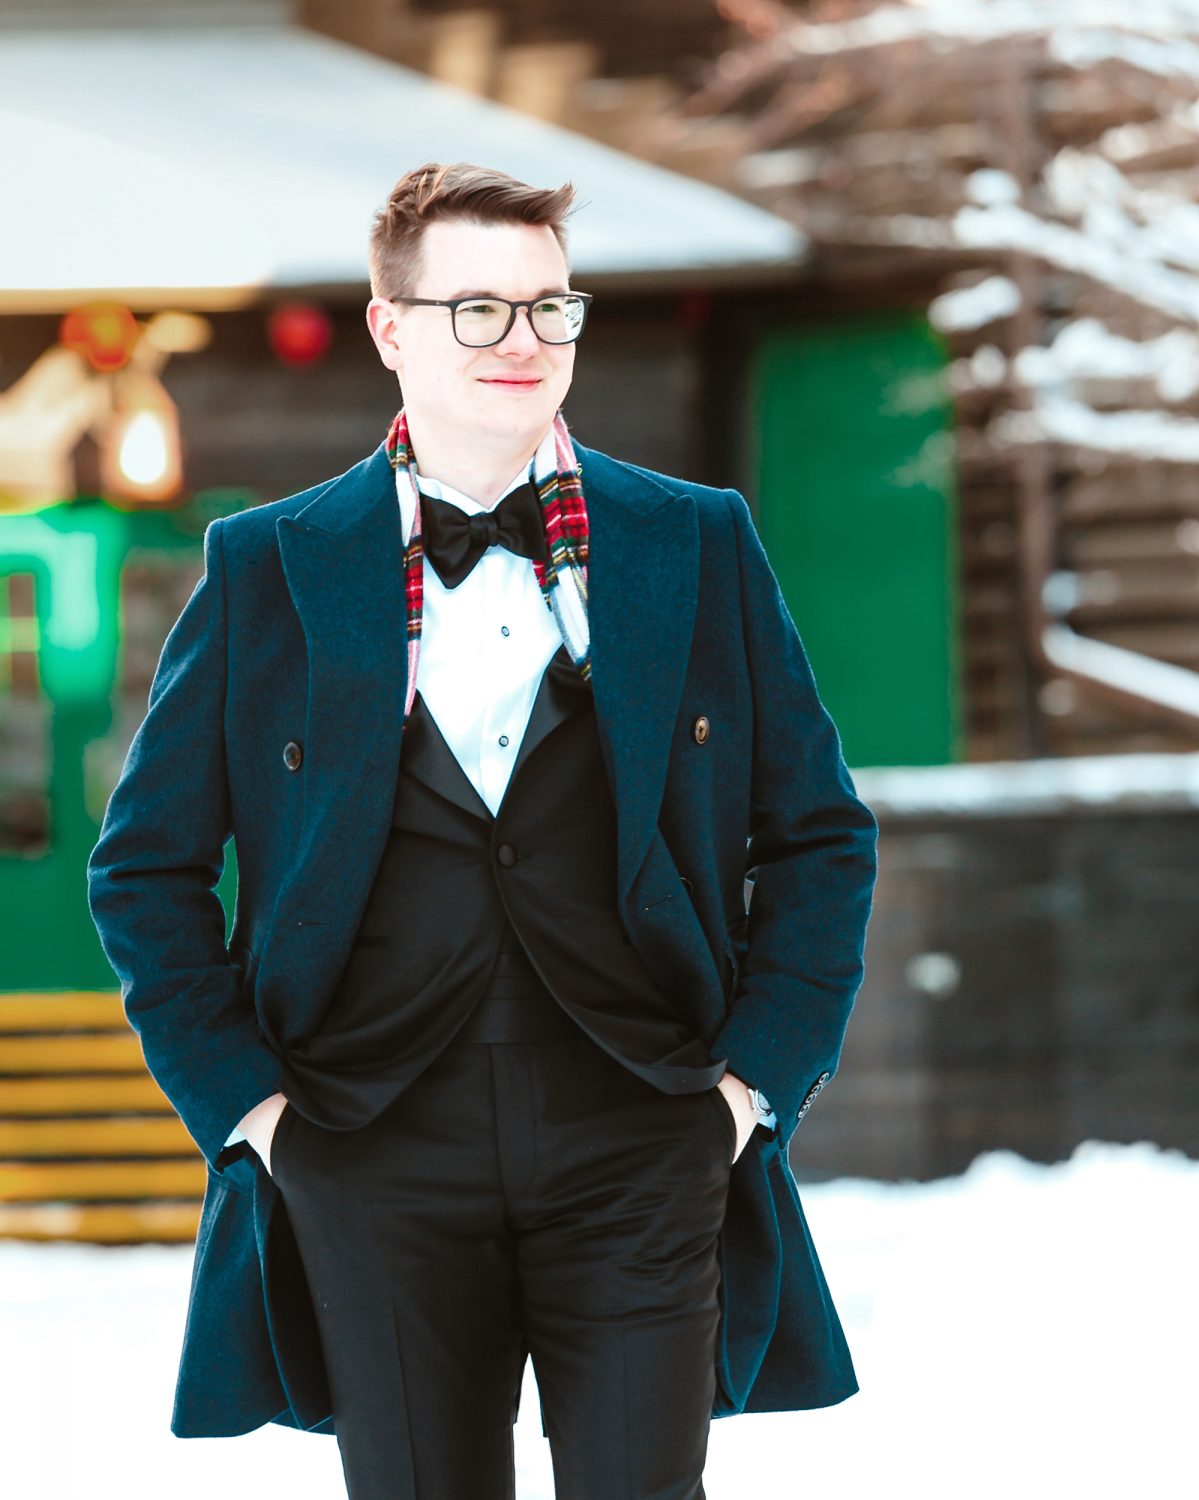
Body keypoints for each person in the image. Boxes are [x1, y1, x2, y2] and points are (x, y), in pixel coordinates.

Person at [86, 160, 878, 1500]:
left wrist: (748, 1093)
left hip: (644, 1143)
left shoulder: (698, 544)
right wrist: (257, 1116)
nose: (521, 342)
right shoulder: (265, 567)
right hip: (368, 1153)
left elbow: (817, 839)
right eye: (477, 310)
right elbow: (146, 872)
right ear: (392, 327)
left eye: (548, 308)